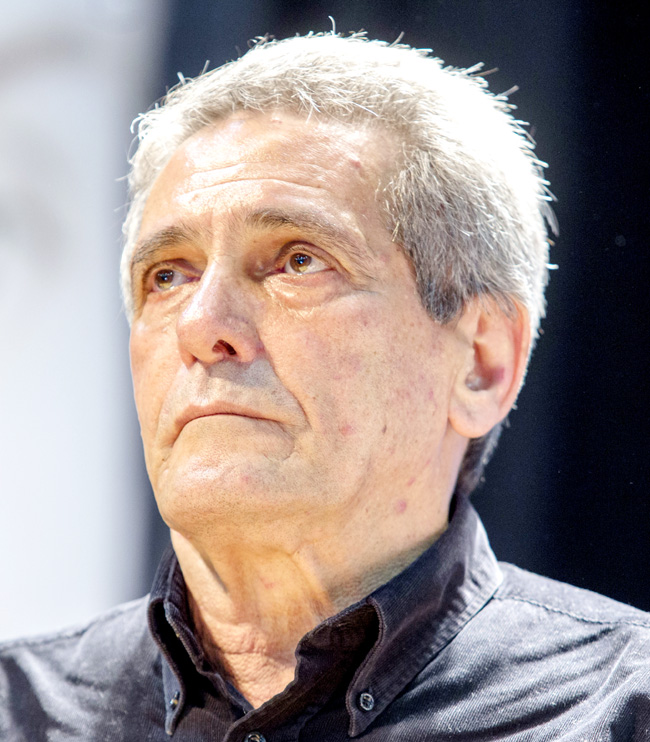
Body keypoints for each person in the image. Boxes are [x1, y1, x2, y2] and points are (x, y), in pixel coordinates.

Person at [1, 32, 649, 741]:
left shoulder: (622, 709)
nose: (201, 325)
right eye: (169, 275)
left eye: (298, 261)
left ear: (481, 363)